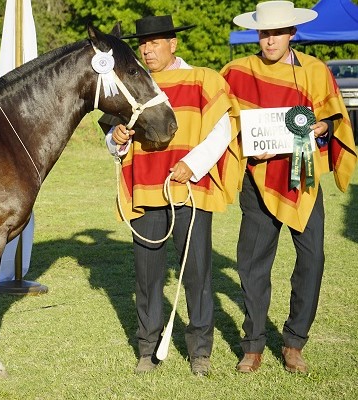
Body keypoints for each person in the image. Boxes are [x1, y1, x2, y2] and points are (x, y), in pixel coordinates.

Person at [221, 1, 357, 374]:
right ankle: (253, 346)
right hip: (257, 180)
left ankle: (294, 343)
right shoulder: (236, 72)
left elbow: (333, 118)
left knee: (312, 261)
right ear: (258, 34)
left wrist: (321, 128)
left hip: (303, 178)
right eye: (265, 33)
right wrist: (247, 146)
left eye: (277, 33)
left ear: (291, 33)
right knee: (251, 265)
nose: (270, 40)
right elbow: (221, 121)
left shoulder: (315, 70)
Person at [101, 15, 239, 376]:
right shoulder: (129, 85)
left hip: (189, 189)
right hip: (145, 190)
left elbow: (222, 130)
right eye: (143, 44)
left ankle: (200, 350)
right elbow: (112, 136)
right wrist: (115, 139)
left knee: (196, 273)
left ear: (173, 44)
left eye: (156, 42)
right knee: (147, 276)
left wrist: (193, 165)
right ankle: (147, 347)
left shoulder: (202, 80)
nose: (147, 50)